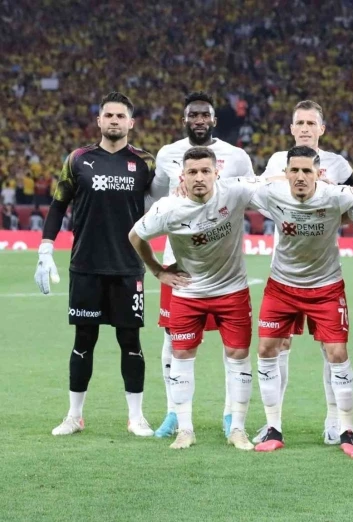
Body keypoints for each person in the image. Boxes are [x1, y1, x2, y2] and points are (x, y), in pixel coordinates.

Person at [35, 92, 156, 437]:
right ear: (99, 120)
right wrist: (45, 247)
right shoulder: (78, 159)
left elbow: (163, 205)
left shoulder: (145, 163)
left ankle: (136, 418)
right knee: (83, 340)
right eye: (109, 115)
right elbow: (58, 205)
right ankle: (74, 416)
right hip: (86, 265)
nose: (114, 120)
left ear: (131, 123)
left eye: (121, 116)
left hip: (128, 267)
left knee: (130, 341)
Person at [129, 146, 267, 450]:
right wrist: (157, 270)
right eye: (192, 172)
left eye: (206, 171)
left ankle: (238, 429)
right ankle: (185, 430)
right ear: (183, 176)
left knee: (238, 356)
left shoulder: (235, 191)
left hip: (232, 291)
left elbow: (272, 182)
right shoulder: (169, 207)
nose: (199, 177)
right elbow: (135, 236)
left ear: (217, 173)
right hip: (188, 292)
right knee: (181, 356)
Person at [150, 91, 256, 439]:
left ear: (214, 119)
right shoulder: (167, 154)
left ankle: (230, 415)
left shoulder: (237, 157)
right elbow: (156, 197)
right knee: (173, 340)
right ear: (184, 120)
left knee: (233, 345)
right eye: (192, 115)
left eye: (204, 115)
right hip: (178, 262)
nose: (198, 120)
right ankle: (173, 413)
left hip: (223, 265)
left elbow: (251, 195)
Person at [253, 100, 353, 446]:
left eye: (312, 123)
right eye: (300, 122)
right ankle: (273, 422)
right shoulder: (276, 163)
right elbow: (258, 192)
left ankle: (335, 421)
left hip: (324, 272)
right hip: (283, 270)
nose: (306, 128)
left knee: (333, 349)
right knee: (277, 344)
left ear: (322, 129)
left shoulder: (339, 165)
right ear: (292, 128)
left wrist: (324, 214)